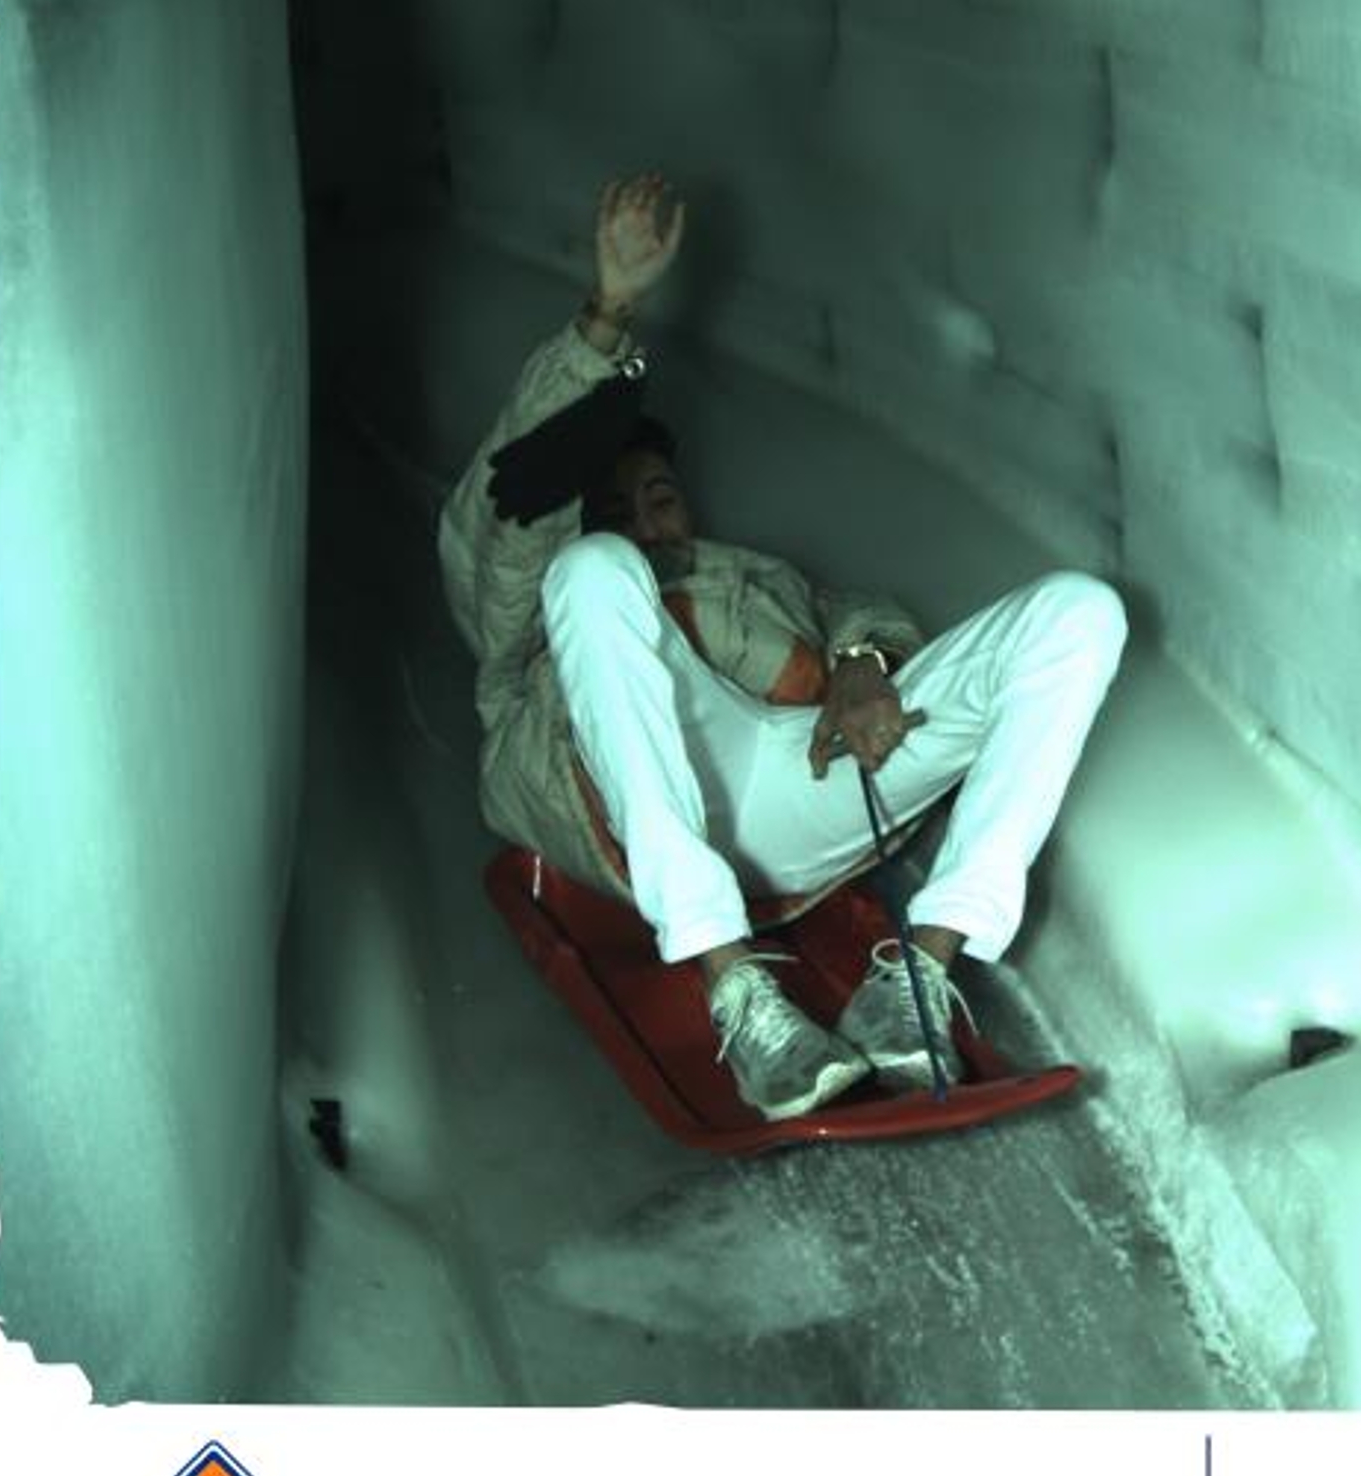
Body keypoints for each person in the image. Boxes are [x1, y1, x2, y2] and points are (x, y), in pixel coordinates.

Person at [438, 174, 1128, 1122]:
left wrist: (862, 665)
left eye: (660, 498)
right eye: (617, 505)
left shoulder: (740, 573)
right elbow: (512, 505)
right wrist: (608, 315)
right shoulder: (553, 593)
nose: (647, 520)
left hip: (796, 781)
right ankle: (737, 992)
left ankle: (920, 974)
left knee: (1080, 611)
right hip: (627, 800)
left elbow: (854, 610)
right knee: (594, 574)